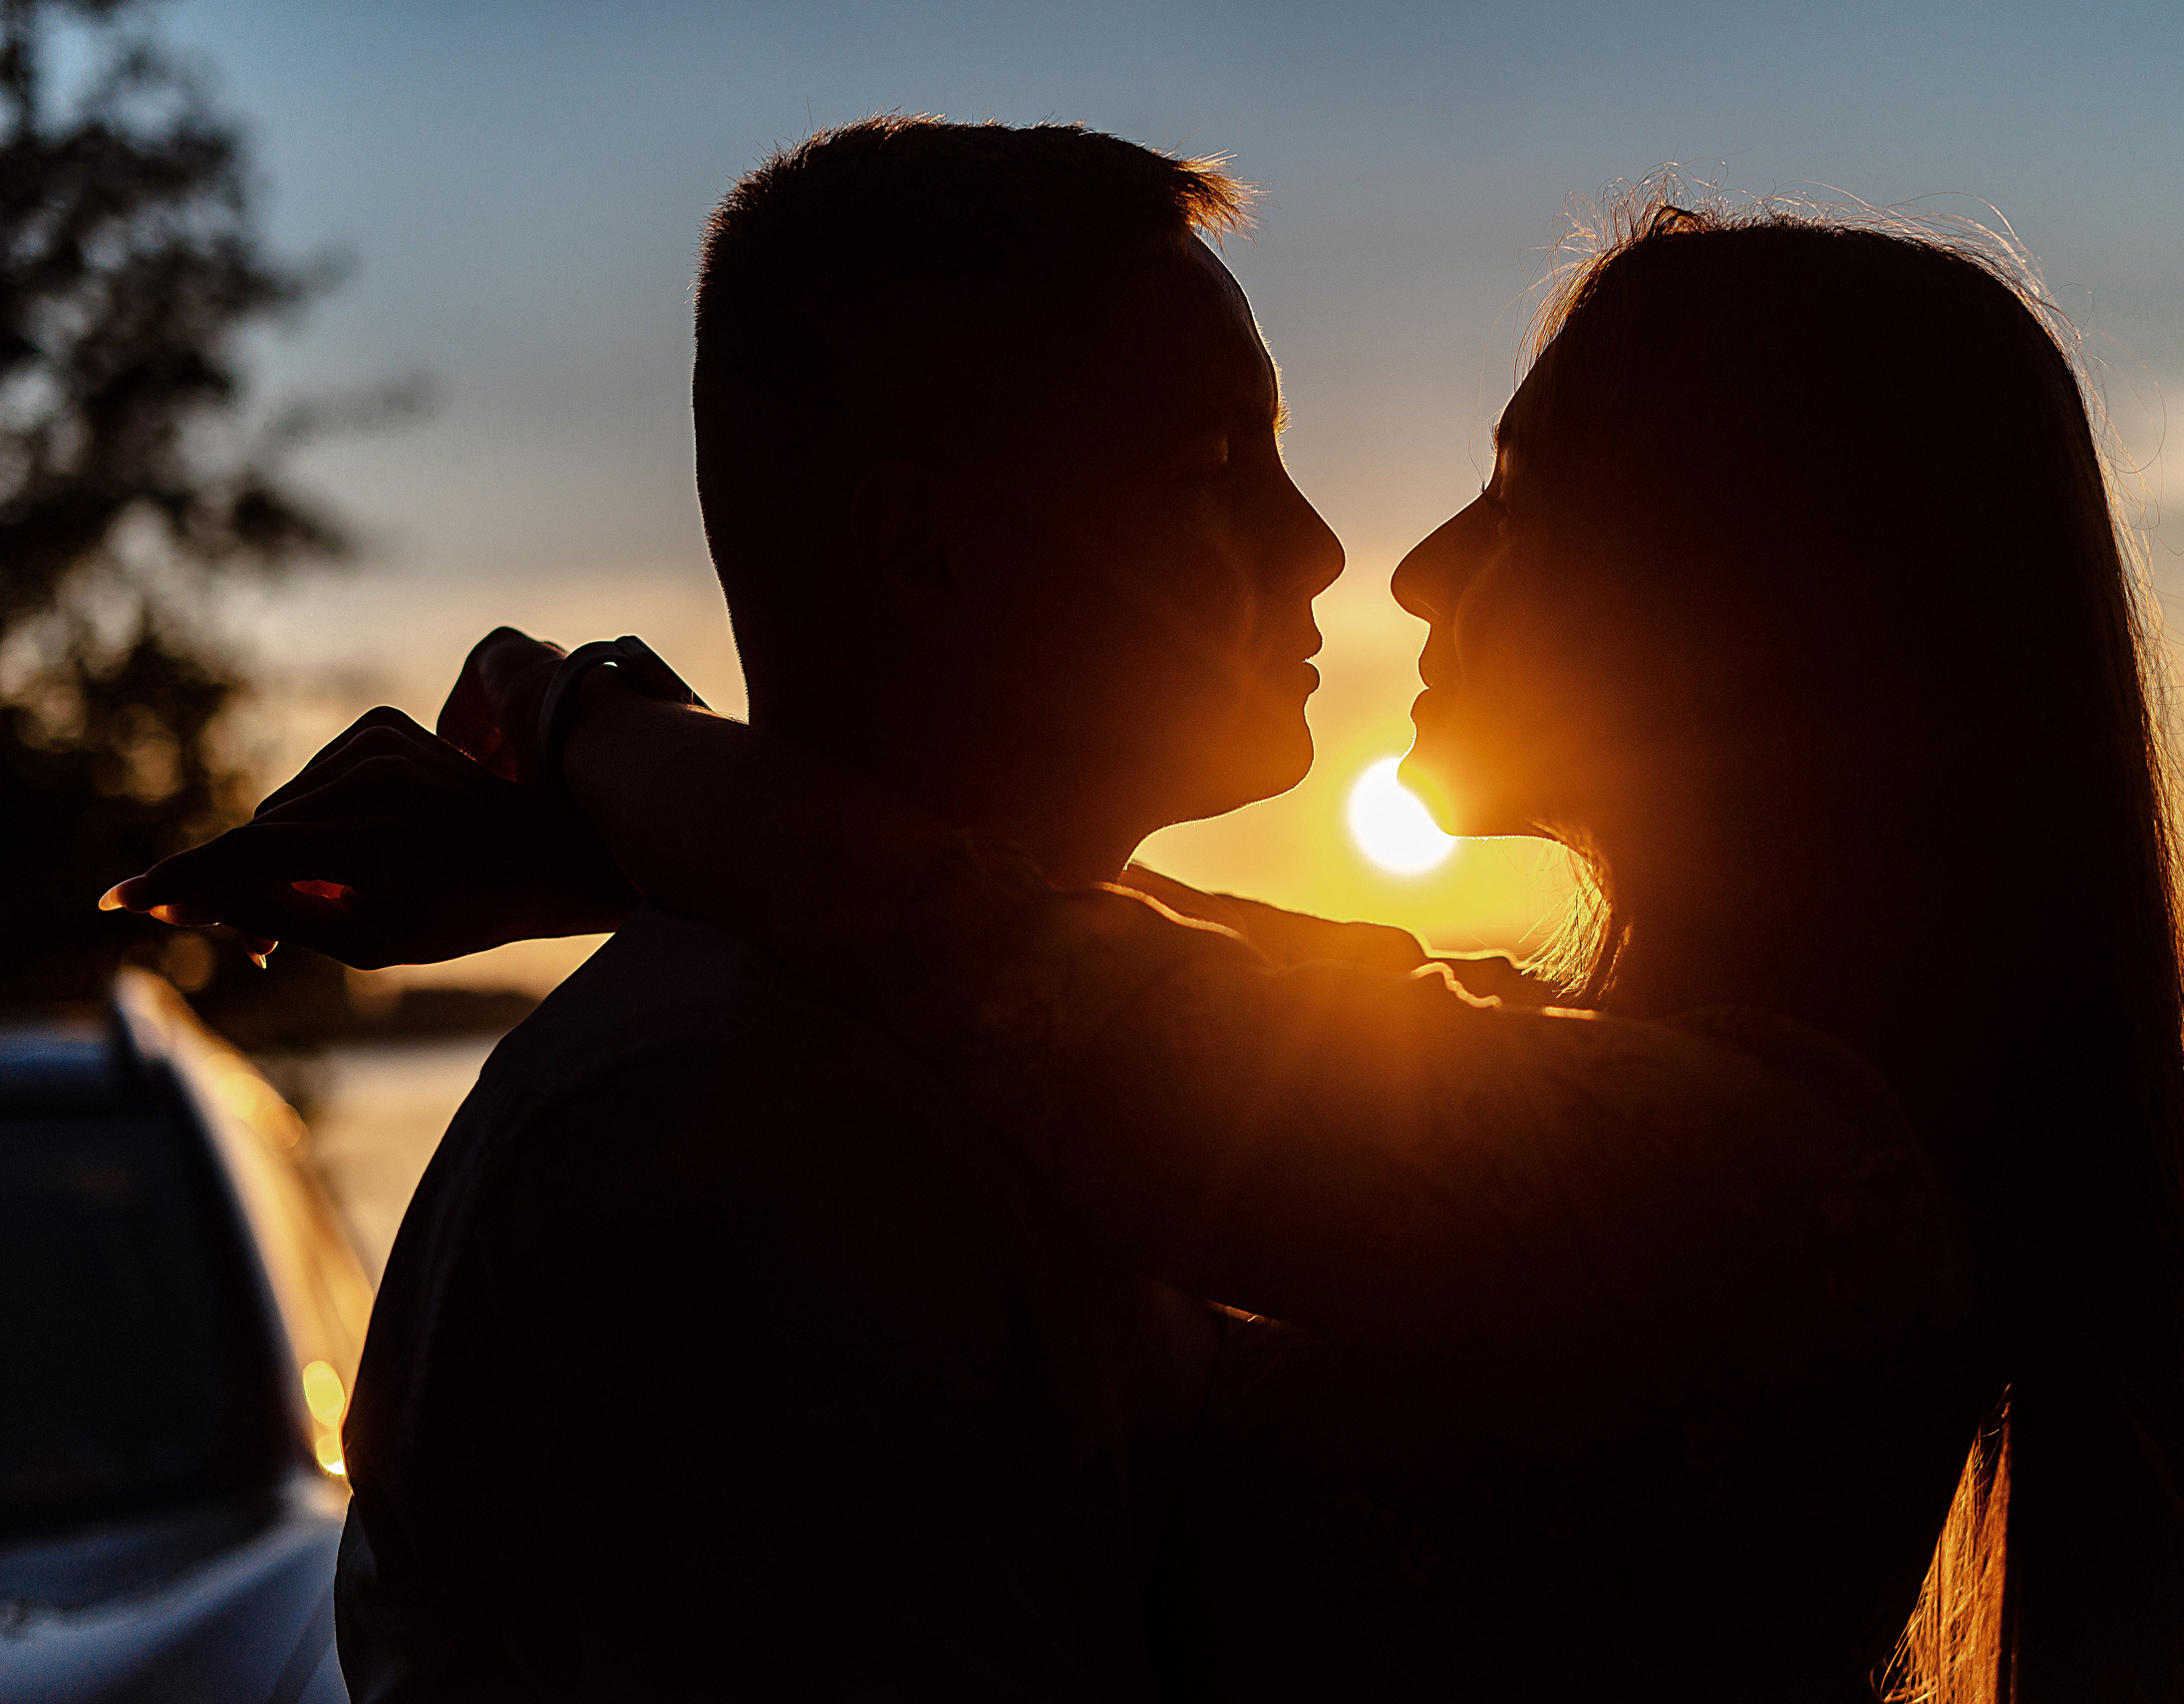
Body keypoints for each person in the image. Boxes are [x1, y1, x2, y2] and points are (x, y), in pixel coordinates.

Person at [121, 197, 2184, 1700]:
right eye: (1211, 470)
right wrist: (635, 832)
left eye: (1523, 501)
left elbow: (1038, 977)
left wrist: (586, 734)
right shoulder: (1669, 1117)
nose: (1396, 564)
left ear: (1754, 607)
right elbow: (1110, 954)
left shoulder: (1770, 1179)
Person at [111, 115, 1452, 1702]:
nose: (1320, 547)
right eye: (1212, 471)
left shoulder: (1044, 1039)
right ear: (925, 551)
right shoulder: (715, 1154)